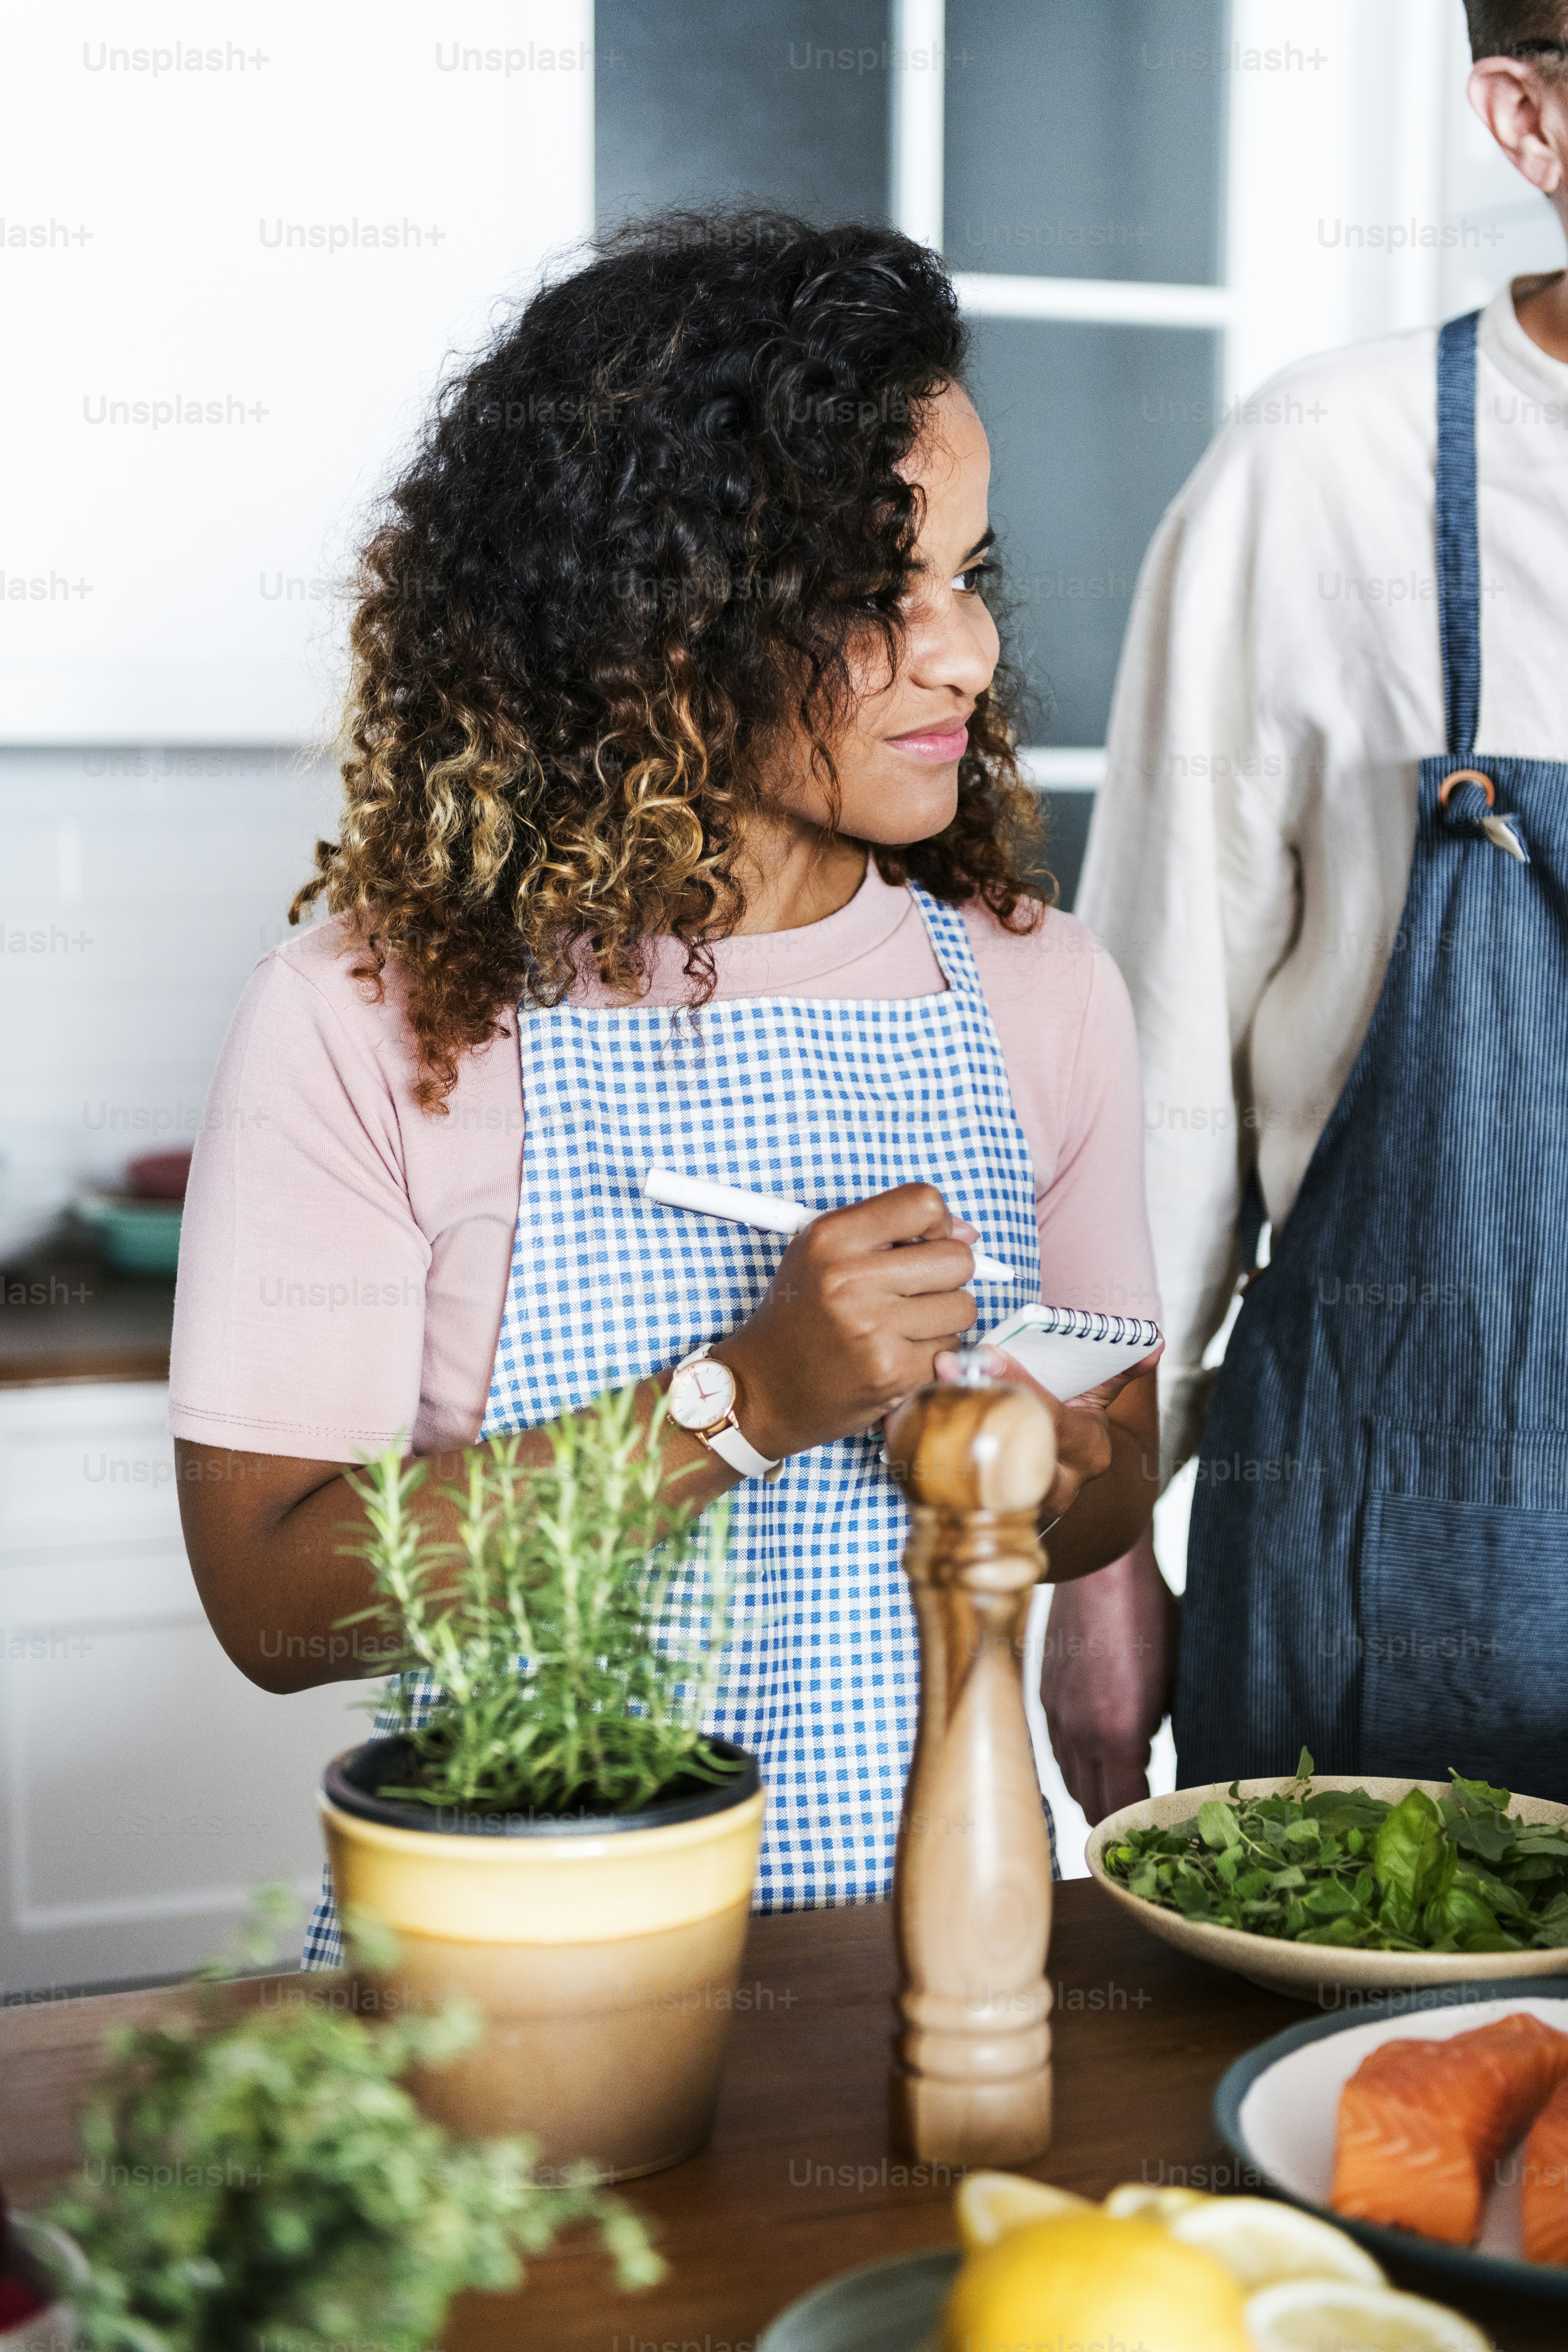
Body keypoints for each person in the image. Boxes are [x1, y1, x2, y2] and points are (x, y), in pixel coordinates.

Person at [168, 214, 1161, 1958]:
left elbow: (1116, 1486)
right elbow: (276, 1602)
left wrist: (1023, 1458)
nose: (967, 655)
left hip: (948, 1962)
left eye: (971, 579)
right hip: (511, 1982)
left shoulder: (1041, 990)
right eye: (877, 592)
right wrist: (744, 1397)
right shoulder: (373, 1016)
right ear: (661, 617)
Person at [1049, 2, 1568, 1814]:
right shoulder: (1322, 473)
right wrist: (1100, 1556)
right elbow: (1152, 1060)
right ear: (1531, 117)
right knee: (1300, 2100)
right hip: (1399, 1530)